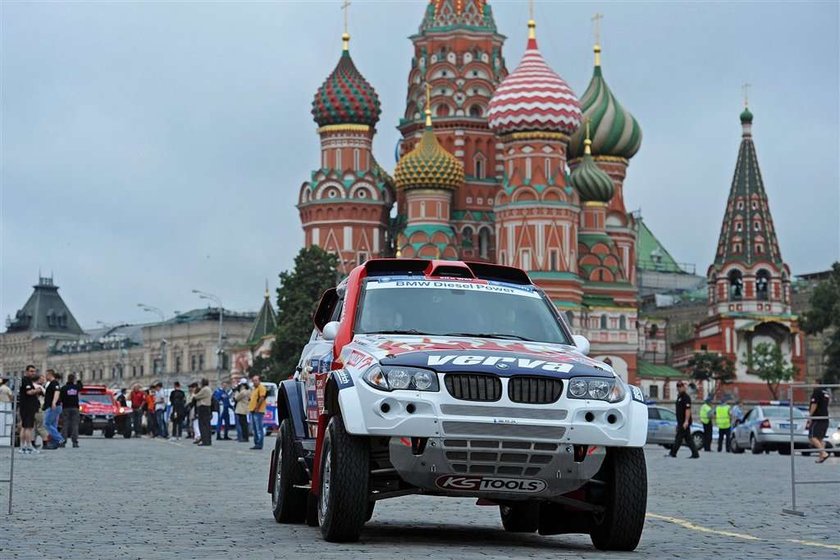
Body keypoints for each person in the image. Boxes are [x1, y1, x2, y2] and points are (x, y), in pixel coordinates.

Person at [669, 381, 700, 459]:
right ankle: (695, 453)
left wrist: (686, 421)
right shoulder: (679, 397)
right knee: (688, 439)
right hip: (680, 422)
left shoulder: (686, 397)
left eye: (680, 387)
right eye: (678, 387)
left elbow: (688, 410)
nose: (679, 388)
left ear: (684, 387)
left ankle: (673, 453)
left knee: (679, 438)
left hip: (684, 422)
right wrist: (678, 423)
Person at [17, 365, 41, 454]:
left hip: (25, 406)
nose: (33, 373)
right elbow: (29, 392)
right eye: (31, 371)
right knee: (29, 427)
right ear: (26, 371)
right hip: (28, 407)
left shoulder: (26, 380)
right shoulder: (26, 380)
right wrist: (38, 390)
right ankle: (29, 446)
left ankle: (22, 446)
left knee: (24, 427)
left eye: (34, 371)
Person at [42, 369, 65, 450]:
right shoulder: (52, 383)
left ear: (50, 374)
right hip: (55, 406)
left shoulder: (54, 383)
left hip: (53, 406)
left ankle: (60, 439)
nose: (45, 376)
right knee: (53, 425)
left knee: (46, 424)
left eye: (46, 374)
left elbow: (57, 392)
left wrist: (54, 402)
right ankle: (55, 442)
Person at [808, 385, 831, 464]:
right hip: (825, 418)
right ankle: (821, 456)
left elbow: (814, 404)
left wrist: (810, 416)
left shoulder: (817, 392)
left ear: (817, 383)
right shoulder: (826, 393)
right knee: (819, 438)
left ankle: (824, 453)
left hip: (817, 418)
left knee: (812, 437)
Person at [59, 373, 83, 448]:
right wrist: (79, 380)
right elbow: (81, 387)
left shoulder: (63, 388)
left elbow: (61, 398)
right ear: (73, 380)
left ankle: (63, 442)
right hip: (75, 408)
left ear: (67, 379)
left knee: (65, 425)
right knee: (75, 425)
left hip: (66, 408)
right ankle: (75, 442)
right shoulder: (76, 387)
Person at [249, 375, 267, 450]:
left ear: (259, 381)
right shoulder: (254, 389)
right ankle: (256, 443)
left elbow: (262, 398)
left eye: (256, 380)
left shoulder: (261, 388)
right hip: (253, 410)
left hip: (258, 411)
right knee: (255, 428)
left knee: (259, 428)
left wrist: (257, 407)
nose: (254, 382)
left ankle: (259, 443)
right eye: (253, 380)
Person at [192, 378, 213, 446]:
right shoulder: (209, 389)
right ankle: (208, 440)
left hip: (203, 407)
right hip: (207, 407)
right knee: (207, 425)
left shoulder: (204, 389)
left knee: (203, 425)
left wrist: (193, 394)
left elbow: (196, 396)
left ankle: (205, 441)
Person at [32, 373, 49, 449]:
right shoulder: (39, 387)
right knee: (41, 426)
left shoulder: (30, 386)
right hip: (39, 408)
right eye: (42, 379)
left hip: (31, 409)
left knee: (33, 427)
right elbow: (46, 396)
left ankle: (32, 443)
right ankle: (45, 443)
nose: (43, 380)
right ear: (38, 379)